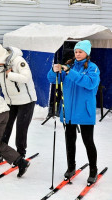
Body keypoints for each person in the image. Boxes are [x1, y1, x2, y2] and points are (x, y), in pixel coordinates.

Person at [47, 40, 100, 184]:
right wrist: (55, 70)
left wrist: (70, 72)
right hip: (69, 111)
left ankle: (93, 170)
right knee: (70, 141)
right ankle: (71, 167)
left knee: (88, 141)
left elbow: (90, 83)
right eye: (76, 51)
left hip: (84, 111)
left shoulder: (93, 68)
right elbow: (52, 79)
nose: (77, 54)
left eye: (80, 52)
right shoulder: (68, 66)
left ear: (86, 53)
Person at [0, 43, 37, 164]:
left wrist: (10, 74)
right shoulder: (1, 65)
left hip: (26, 101)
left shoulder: (18, 61)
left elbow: (26, 77)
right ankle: (1, 153)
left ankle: (21, 155)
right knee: (4, 128)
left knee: (21, 129)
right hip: (10, 102)